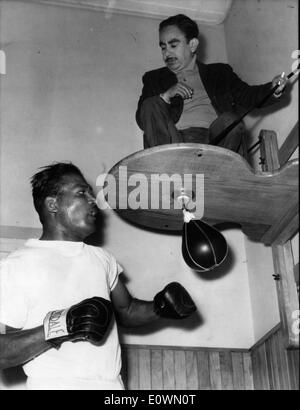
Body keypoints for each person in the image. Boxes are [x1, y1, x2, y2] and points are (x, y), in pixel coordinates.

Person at [0, 162, 196, 390]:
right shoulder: (16, 265)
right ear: (53, 204)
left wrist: (160, 307)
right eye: (82, 193)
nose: (94, 201)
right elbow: (3, 353)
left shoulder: (102, 258)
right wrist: (61, 325)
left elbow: (126, 310)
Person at [136, 14, 288, 157]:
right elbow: (143, 118)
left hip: (216, 142)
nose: (166, 53)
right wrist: (166, 96)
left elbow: (248, 96)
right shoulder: (154, 78)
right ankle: (166, 167)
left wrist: (273, 89)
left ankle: (220, 169)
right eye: (163, 47)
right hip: (173, 142)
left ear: (193, 44)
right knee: (151, 103)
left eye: (173, 45)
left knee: (230, 119)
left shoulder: (220, 73)